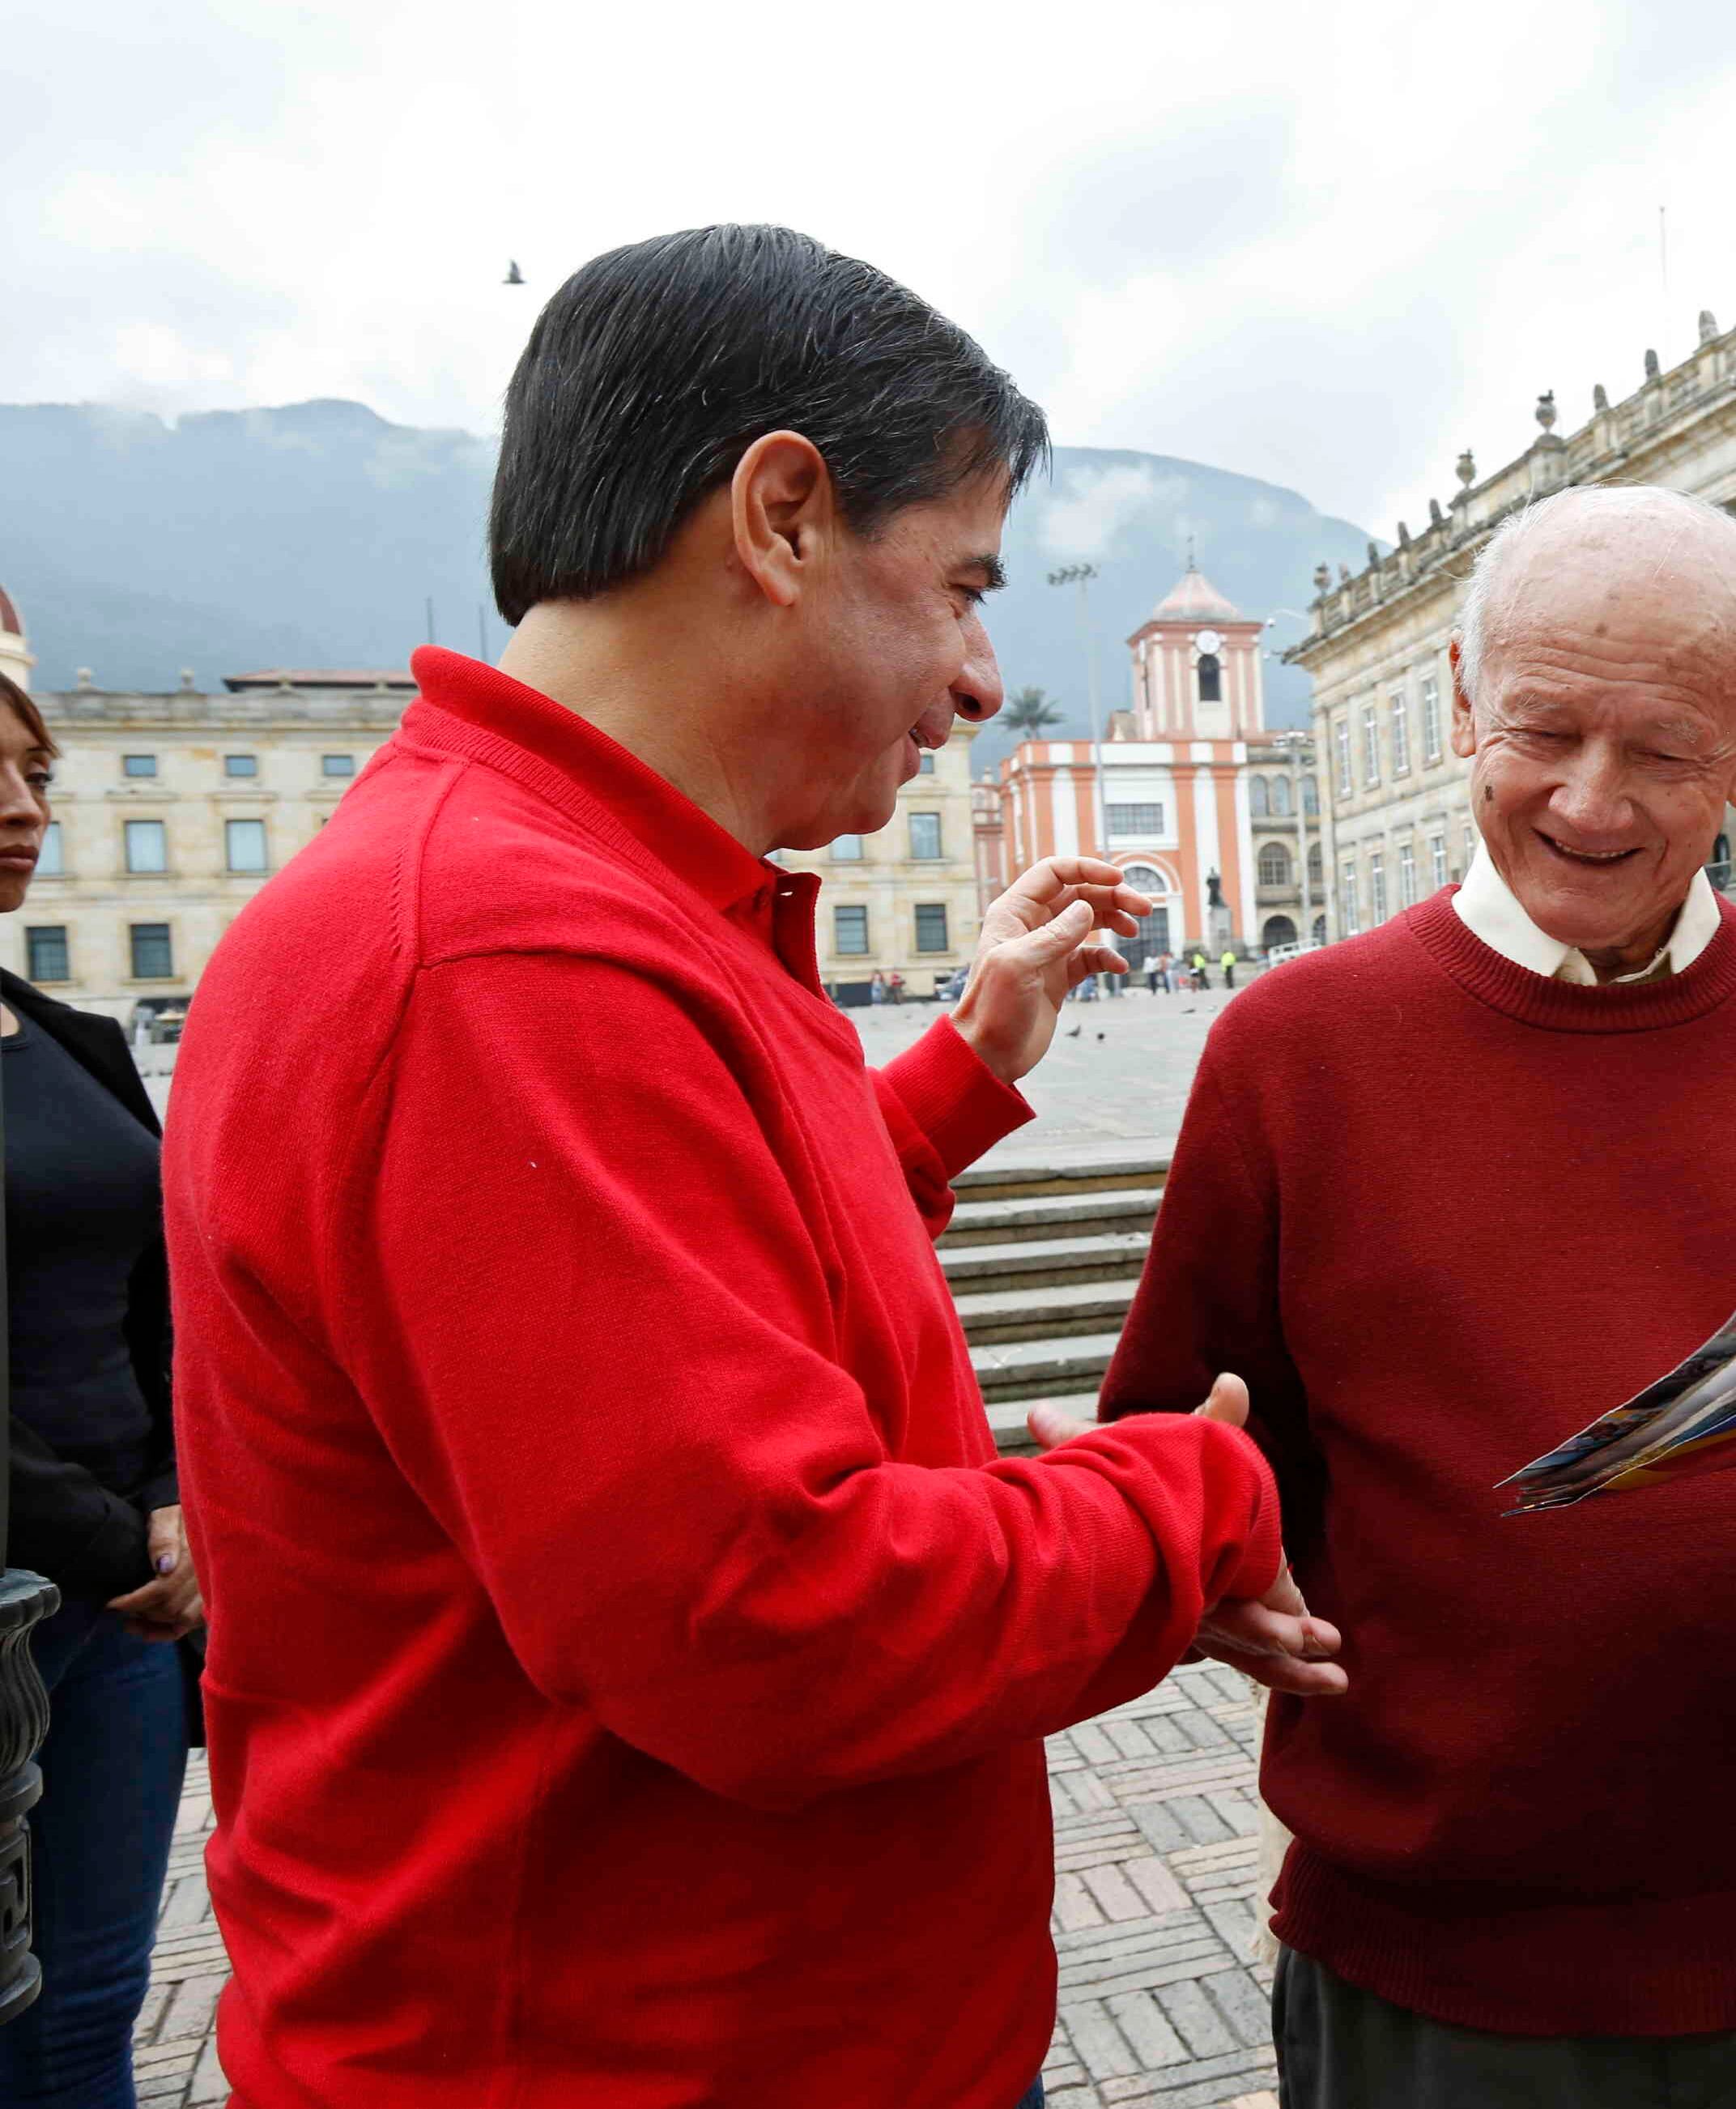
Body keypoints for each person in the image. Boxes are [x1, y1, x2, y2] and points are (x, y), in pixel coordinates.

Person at [160, 226, 1311, 2109]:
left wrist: (955, 1107)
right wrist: (1191, 1498)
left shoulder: (614, 902)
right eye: (954, 587)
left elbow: (680, 1314)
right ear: (780, 516)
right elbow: (766, 1621)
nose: (974, 680)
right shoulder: (504, 956)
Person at [1079, 483, 1736, 2108]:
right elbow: (1171, 1447)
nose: (1592, 801)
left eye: (1666, 751)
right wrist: (1193, 1552)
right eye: (1544, 730)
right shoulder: (1295, 1051)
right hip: (1441, 1966)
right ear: (1470, 710)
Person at [0, 673, 202, 2109]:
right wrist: (119, 1534)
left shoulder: (73, 1041)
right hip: (61, 1568)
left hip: (130, 1599)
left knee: (91, 2003)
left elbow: (164, 1293)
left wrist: (184, 1494)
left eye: (35, 775)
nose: (25, 812)